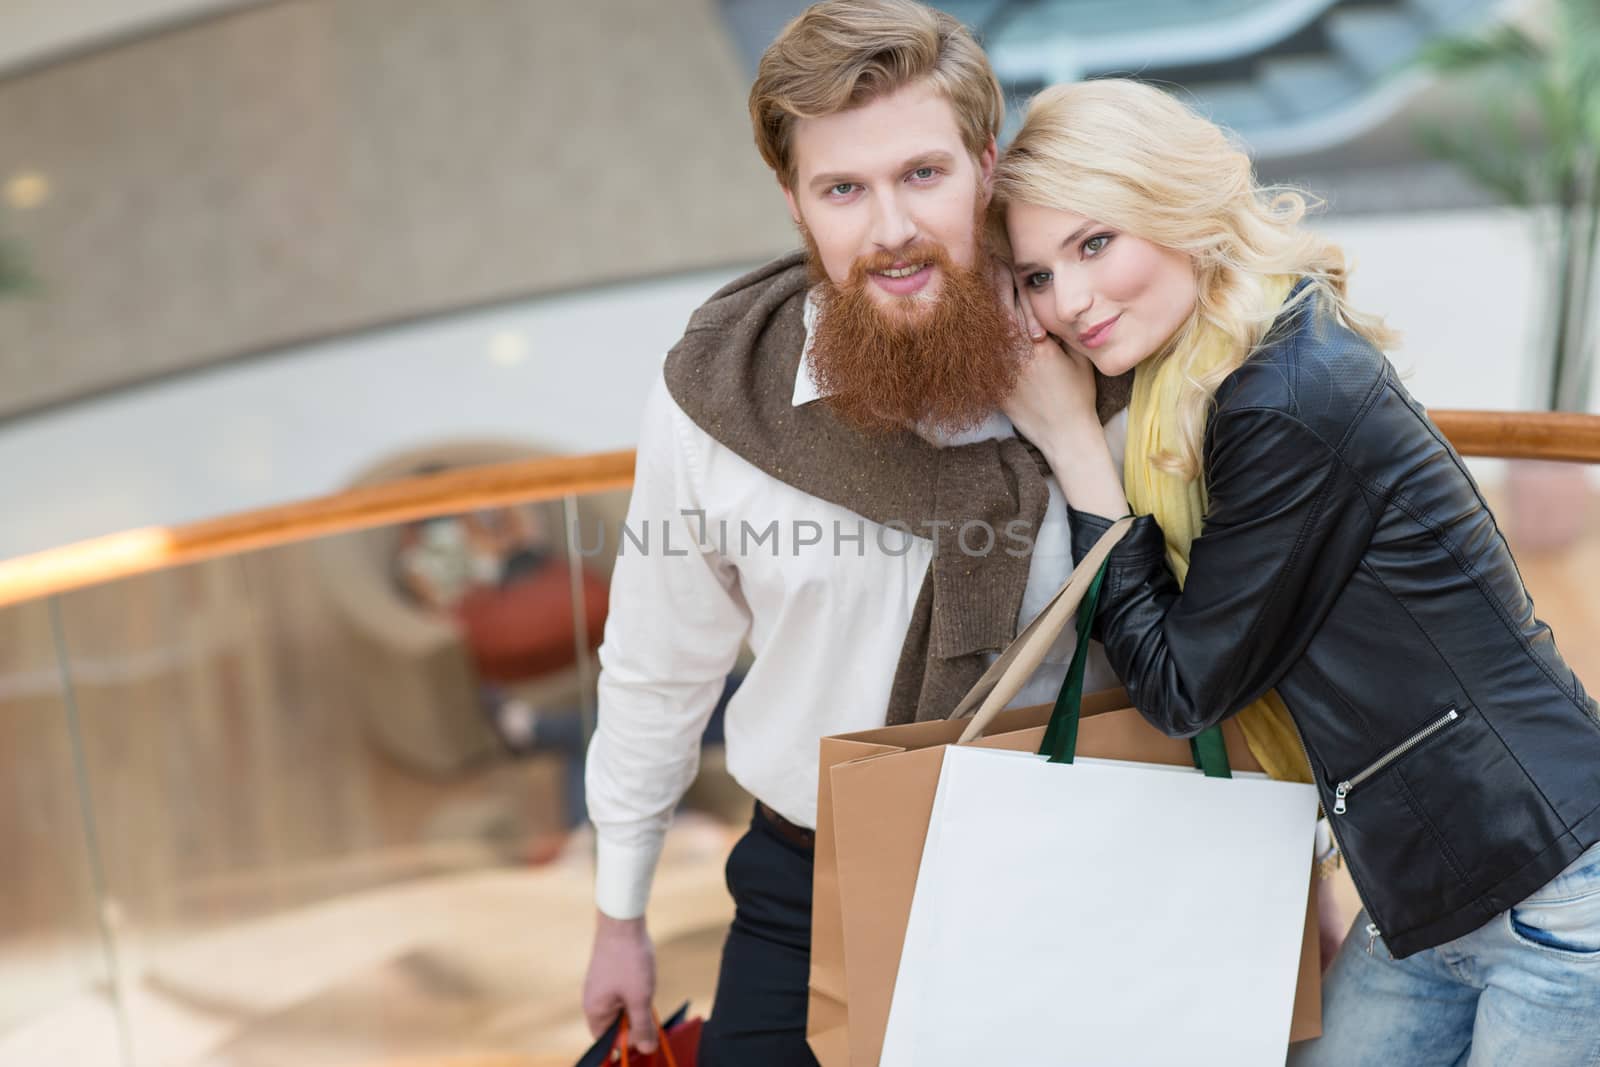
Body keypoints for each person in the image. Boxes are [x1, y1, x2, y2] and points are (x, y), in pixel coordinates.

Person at [991, 77, 1600, 1064]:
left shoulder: (1281, 400)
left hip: (1556, 891)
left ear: (1173, 209)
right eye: (1036, 275)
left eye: (1093, 242)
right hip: (1429, 886)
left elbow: (1183, 683)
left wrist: (1071, 445)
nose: (1070, 303)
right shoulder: (1216, 369)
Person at [580, 5, 1132, 1064]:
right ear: (794, 201)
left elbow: (1210, 631)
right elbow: (658, 668)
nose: (890, 229)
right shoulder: (717, 399)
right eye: (844, 189)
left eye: (922, 174)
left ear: (986, 164)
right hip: (810, 880)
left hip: (1072, 862)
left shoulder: (1100, 350)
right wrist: (620, 909)